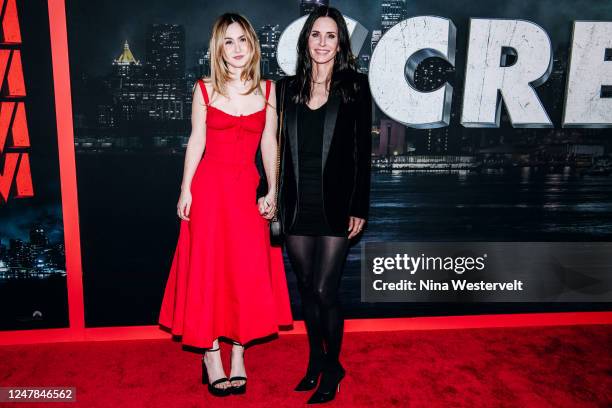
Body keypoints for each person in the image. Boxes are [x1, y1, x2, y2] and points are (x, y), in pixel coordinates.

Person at [158, 12, 292, 398]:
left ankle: (239, 354)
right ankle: (212, 353)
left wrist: (273, 191)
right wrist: (186, 189)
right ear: (219, 47)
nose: (236, 48)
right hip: (209, 192)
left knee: (244, 274)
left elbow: (270, 144)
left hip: (246, 193)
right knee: (208, 272)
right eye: (228, 41)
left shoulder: (268, 91)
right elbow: (196, 141)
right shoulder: (204, 88)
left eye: (243, 40)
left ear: (253, 46)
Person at [258, 6, 372, 404]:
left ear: (339, 43)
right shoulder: (284, 89)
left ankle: (333, 365)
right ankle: (314, 359)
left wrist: (360, 205)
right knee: (306, 288)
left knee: (326, 289)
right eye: (315, 35)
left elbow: (362, 152)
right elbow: (271, 146)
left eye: (330, 36)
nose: (322, 43)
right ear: (305, 40)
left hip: (336, 205)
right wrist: (268, 192)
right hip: (294, 203)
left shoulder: (354, 87)